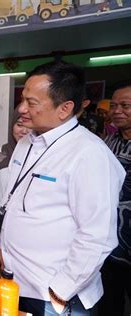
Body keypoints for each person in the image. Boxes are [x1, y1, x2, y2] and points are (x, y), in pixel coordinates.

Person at [0, 61, 125, 315]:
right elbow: (12, 200)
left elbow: (97, 237)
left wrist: (59, 291)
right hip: (15, 282)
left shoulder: (89, 154)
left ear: (65, 109)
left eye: (32, 103)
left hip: (53, 296)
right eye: (23, 100)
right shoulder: (26, 143)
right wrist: (0, 246)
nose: (21, 109)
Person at [99, 81, 131, 316]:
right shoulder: (107, 142)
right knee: (110, 302)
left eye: (125, 105)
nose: (117, 110)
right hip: (109, 242)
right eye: (114, 105)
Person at [0, 109, 30, 258]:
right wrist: (6, 224)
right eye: (19, 125)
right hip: (2, 227)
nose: (24, 131)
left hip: (29, 230)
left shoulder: (39, 155)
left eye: (29, 126)